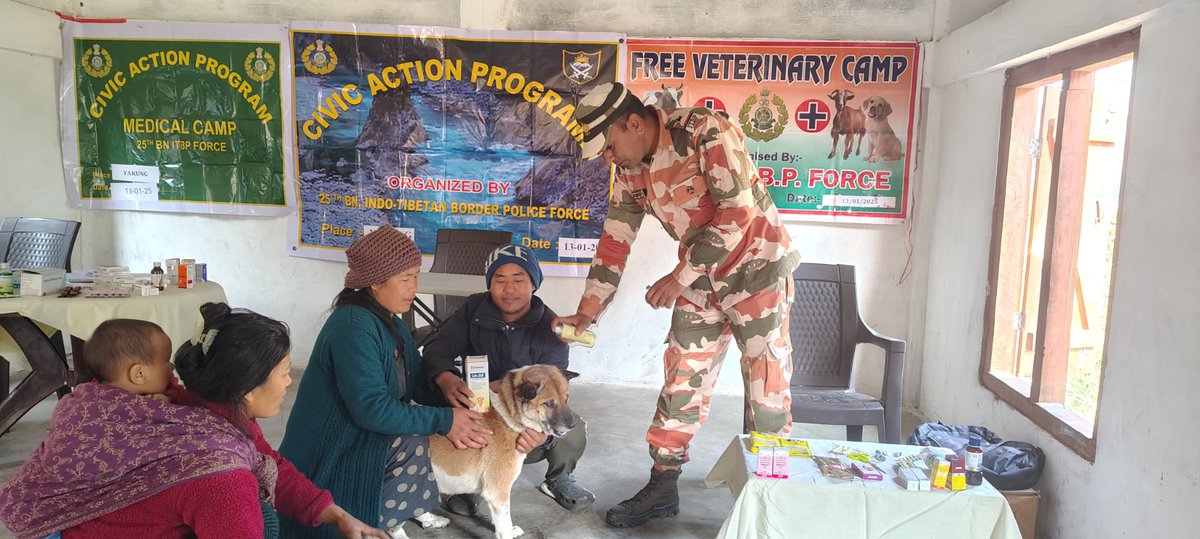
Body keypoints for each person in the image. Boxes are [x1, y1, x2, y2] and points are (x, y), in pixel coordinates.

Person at [559, 82, 802, 528]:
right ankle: (663, 484)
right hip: (701, 280)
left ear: (634, 123)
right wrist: (588, 312)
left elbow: (738, 211)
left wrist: (678, 276)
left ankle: (772, 495)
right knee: (681, 380)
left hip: (757, 274)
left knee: (766, 389)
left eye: (610, 145)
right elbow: (615, 242)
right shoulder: (632, 171)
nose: (609, 158)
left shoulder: (705, 132)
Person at [0, 310, 387, 539]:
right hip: (74, 529)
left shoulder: (205, 407)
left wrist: (337, 515)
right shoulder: (218, 473)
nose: (290, 382)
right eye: (285, 373)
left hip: (81, 518)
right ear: (248, 390)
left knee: (264, 512)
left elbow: (270, 462)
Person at [279, 225, 492, 539]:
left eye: (416, 276)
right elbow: (371, 409)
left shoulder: (389, 321)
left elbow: (416, 379)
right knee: (415, 442)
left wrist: (447, 389)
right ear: (374, 282)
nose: (413, 287)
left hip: (354, 435)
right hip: (329, 453)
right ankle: (359, 523)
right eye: (405, 278)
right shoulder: (353, 326)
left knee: (426, 436)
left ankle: (377, 523)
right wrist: (445, 419)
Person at [422, 243, 594, 515]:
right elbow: (437, 347)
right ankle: (471, 483)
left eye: (519, 279)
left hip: (523, 426)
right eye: (499, 280)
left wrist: (539, 436)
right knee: (436, 403)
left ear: (534, 284)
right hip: (481, 417)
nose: (509, 289)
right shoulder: (472, 310)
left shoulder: (551, 329)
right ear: (490, 284)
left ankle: (558, 478)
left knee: (571, 430)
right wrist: (446, 378)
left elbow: (555, 394)